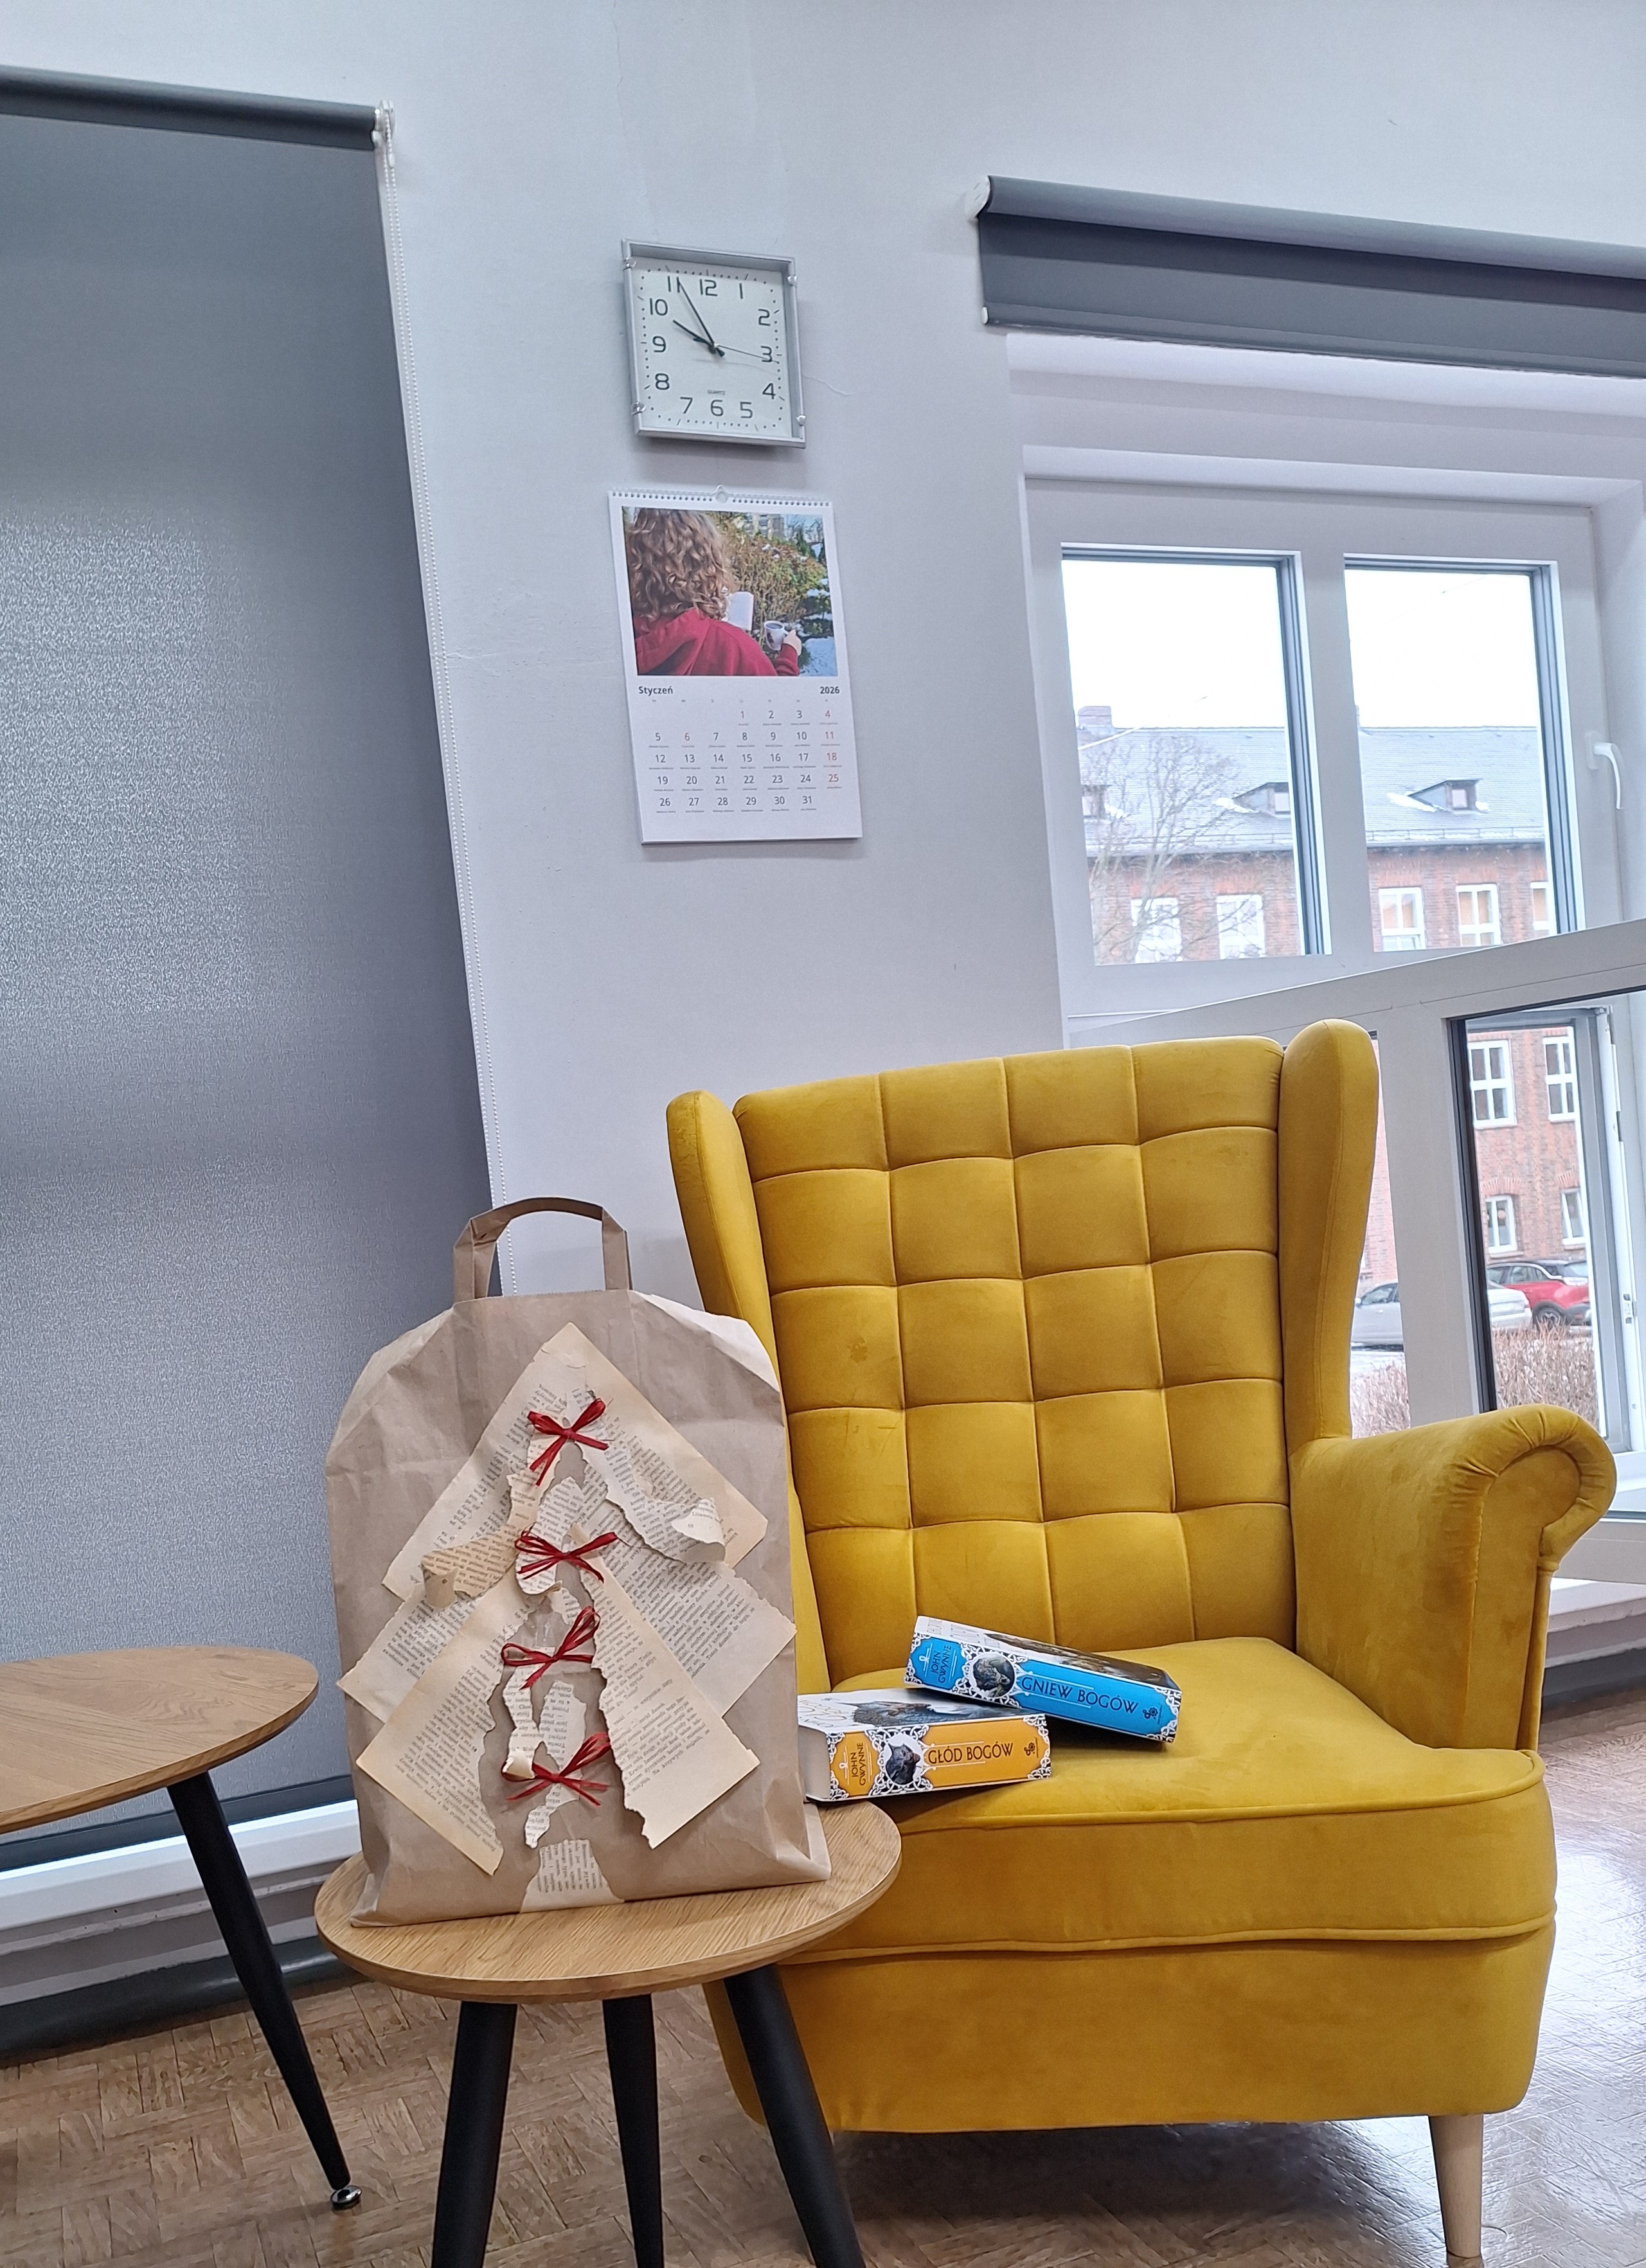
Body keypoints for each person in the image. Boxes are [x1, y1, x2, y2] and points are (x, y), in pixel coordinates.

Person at [625, 508, 802, 676]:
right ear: (708, 566)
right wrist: (789, 656)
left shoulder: (619, 640)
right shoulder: (734, 648)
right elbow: (778, 697)